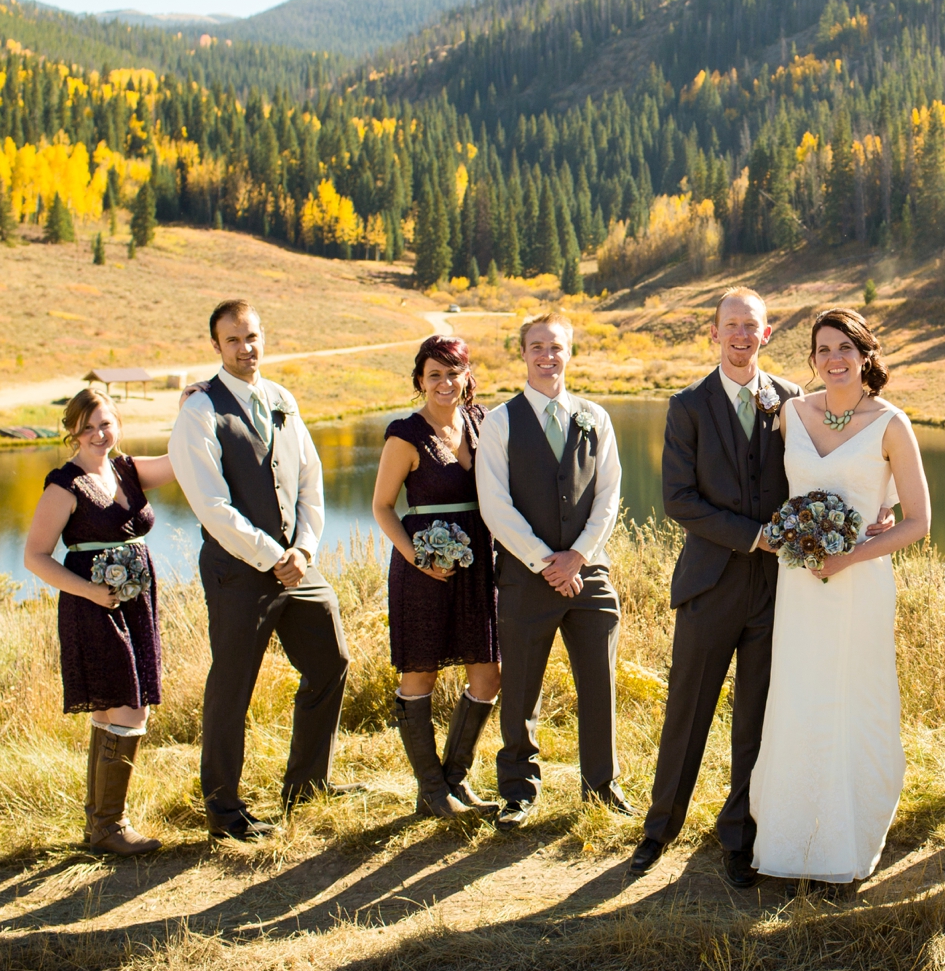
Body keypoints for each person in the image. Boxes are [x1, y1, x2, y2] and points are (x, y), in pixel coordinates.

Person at [749, 308, 931, 896]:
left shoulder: (890, 423)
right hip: (799, 583)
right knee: (798, 697)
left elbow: (919, 522)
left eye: (846, 348)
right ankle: (786, 834)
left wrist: (850, 555)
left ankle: (847, 837)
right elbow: (771, 495)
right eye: (823, 348)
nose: (834, 359)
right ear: (812, 357)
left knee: (853, 697)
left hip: (859, 584)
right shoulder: (790, 414)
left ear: (866, 355)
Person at [631, 289, 806, 886]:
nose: (740, 335)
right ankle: (660, 829)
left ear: (766, 333)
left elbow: (812, 478)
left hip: (777, 590)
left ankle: (739, 835)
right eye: (730, 325)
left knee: (757, 717)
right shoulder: (687, 406)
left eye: (750, 326)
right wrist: (755, 535)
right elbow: (679, 500)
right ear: (714, 333)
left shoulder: (792, 401)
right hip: (709, 586)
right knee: (688, 710)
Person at [169, 299, 352, 842]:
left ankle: (307, 786)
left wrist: (304, 547)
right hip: (238, 573)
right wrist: (274, 556)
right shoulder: (199, 411)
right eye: (233, 340)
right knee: (232, 688)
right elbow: (211, 506)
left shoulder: (283, 400)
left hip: (297, 566)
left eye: (253, 337)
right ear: (216, 347)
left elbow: (309, 482)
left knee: (330, 661)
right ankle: (224, 813)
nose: (246, 348)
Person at [473, 312, 631, 828]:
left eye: (556, 346)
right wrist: (546, 562)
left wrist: (579, 556)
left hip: (591, 576)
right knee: (520, 688)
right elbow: (495, 506)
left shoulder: (595, 417)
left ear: (570, 353)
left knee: (599, 685)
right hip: (525, 578)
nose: (547, 355)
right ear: (523, 354)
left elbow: (609, 495)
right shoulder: (499, 422)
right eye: (537, 346)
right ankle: (518, 791)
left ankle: (601, 788)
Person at [23, 388, 177, 855]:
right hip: (93, 606)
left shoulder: (127, 469)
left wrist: (192, 407)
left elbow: (181, 460)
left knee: (112, 710)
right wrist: (91, 591)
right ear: (72, 432)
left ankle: (99, 828)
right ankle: (110, 825)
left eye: (105, 424)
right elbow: (34, 556)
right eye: (88, 427)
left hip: (134, 604)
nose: (98, 434)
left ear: (118, 424)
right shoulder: (64, 485)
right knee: (129, 708)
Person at [370, 335, 502, 819]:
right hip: (426, 568)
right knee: (420, 670)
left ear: (468, 375)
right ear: (420, 381)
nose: (445, 383)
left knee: (489, 673)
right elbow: (382, 507)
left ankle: (455, 780)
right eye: (434, 375)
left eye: (454, 372)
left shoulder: (483, 421)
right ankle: (431, 790)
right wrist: (417, 558)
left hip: (481, 563)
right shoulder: (405, 434)